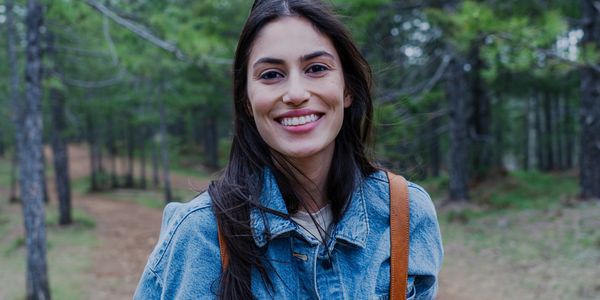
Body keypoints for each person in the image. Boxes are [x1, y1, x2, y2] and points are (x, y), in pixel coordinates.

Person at [134, 0, 443, 299]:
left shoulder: (404, 214)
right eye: (271, 75)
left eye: (317, 68)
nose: (295, 94)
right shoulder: (201, 234)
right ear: (247, 99)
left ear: (347, 88)